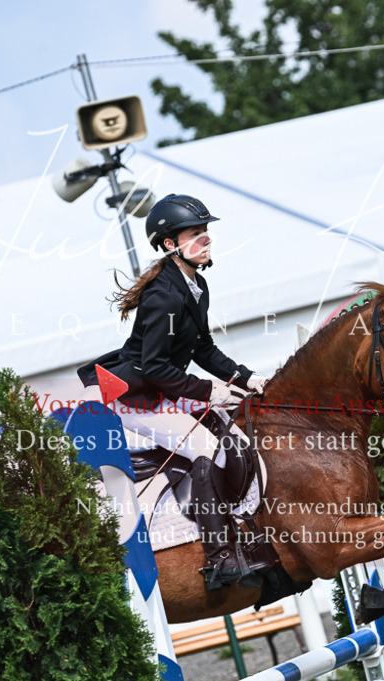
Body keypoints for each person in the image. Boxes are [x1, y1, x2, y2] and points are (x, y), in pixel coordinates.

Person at [77, 193, 267, 591]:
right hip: (132, 396)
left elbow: (203, 349)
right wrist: (204, 390)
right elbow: (156, 366)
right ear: (170, 244)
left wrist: (246, 378)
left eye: (206, 232)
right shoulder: (163, 295)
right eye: (197, 234)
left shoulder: (197, 285)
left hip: (159, 388)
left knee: (228, 425)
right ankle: (218, 560)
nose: (207, 240)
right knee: (203, 444)